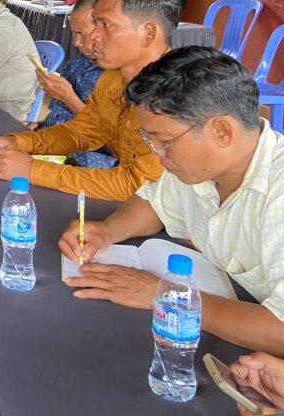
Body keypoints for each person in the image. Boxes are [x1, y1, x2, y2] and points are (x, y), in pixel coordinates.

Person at [59, 47, 284, 357]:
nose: (158, 154)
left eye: (164, 141)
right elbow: (155, 203)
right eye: (150, 140)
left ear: (221, 131)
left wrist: (167, 296)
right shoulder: (203, 167)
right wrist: (107, 231)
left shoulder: (277, 193)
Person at [0, 0, 175, 201]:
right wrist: (20, 142)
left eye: (106, 25)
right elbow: (83, 131)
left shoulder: (173, 95)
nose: (94, 36)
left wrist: (33, 170)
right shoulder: (113, 78)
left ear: (148, 33)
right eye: (95, 24)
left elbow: (137, 185)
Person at [34, 0, 115, 168]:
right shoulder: (79, 62)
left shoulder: (123, 76)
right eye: (74, 33)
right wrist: (39, 127)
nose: (76, 43)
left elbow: (113, 144)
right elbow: (63, 117)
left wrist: (69, 98)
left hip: (92, 167)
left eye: (81, 33)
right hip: (61, 150)